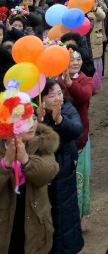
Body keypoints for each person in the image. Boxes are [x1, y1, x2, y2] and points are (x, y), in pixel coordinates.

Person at [38, 78, 84, 254]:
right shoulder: (34, 115)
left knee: (64, 216)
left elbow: (77, 129)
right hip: (43, 175)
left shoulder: (67, 109)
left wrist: (59, 120)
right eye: (52, 95)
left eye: (59, 93)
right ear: (41, 99)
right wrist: (38, 122)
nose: (58, 98)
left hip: (64, 171)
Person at [0, 116, 59, 254]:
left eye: (33, 118)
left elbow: (50, 171)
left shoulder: (42, 142)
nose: (32, 124)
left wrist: (26, 161)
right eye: (24, 119)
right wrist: (5, 164)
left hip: (35, 225)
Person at [59, 49, 94, 218]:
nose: (75, 62)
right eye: (71, 59)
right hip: (61, 136)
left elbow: (84, 97)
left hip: (80, 136)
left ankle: (77, 213)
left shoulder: (85, 80)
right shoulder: (56, 81)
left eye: (78, 59)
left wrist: (69, 83)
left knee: (78, 178)